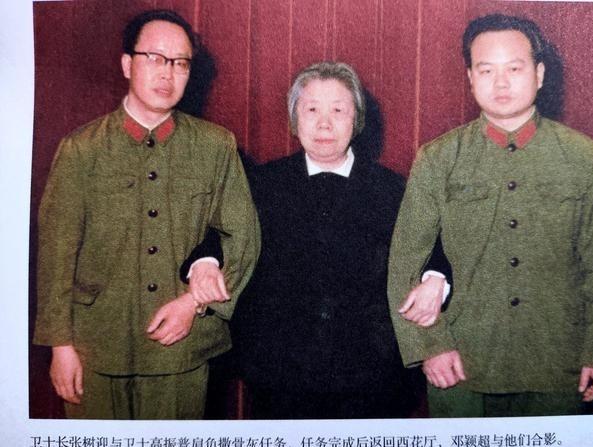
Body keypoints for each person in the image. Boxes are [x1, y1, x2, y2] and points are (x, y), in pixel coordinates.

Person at [387, 13, 593, 417]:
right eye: (486, 70)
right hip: (461, 366)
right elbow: (403, 264)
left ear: (539, 74)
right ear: (470, 77)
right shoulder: (439, 158)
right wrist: (430, 346)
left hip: (558, 365)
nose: (501, 83)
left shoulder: (584, 158)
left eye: (514, 69)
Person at [184, 61, 449, 419]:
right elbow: (221, 232)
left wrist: (435, 278)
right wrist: (205, 262)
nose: (324, 124)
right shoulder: (261, 183)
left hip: (372, 376)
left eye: (338, 110)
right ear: (294, 119)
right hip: (279, 376)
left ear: (357, 120)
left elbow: (433, 247)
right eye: (311, 110)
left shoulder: (393, 189)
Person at [32, 9, 260, 419]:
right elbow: (56, 253)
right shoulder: (81, 149)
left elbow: (243, 237)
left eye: (180, 63)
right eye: (154, 58)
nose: (166, 73)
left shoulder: (215, 146)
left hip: (181, 348)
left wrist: (193, 303)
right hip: (94, 348)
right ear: (127, 64)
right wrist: (60, 346)